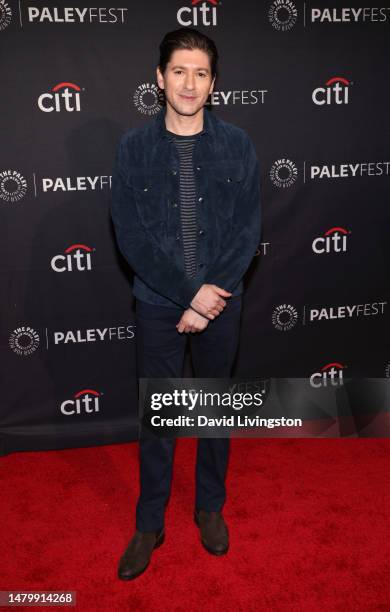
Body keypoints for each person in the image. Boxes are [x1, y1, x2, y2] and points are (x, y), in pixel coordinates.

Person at [111, 27, 261, 580]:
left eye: (200, 73)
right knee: (160, 417)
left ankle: (209, 508)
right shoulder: (132, 148)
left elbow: (248, 232)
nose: (189, 83)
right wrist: (186, 292)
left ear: (214, 83)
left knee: (216, 411)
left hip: (222, 300)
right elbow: (130, 237)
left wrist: (206, 298)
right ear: (159, 78)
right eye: (178, 71)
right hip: (158, 302)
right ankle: (150, 522)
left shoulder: (238, 145)